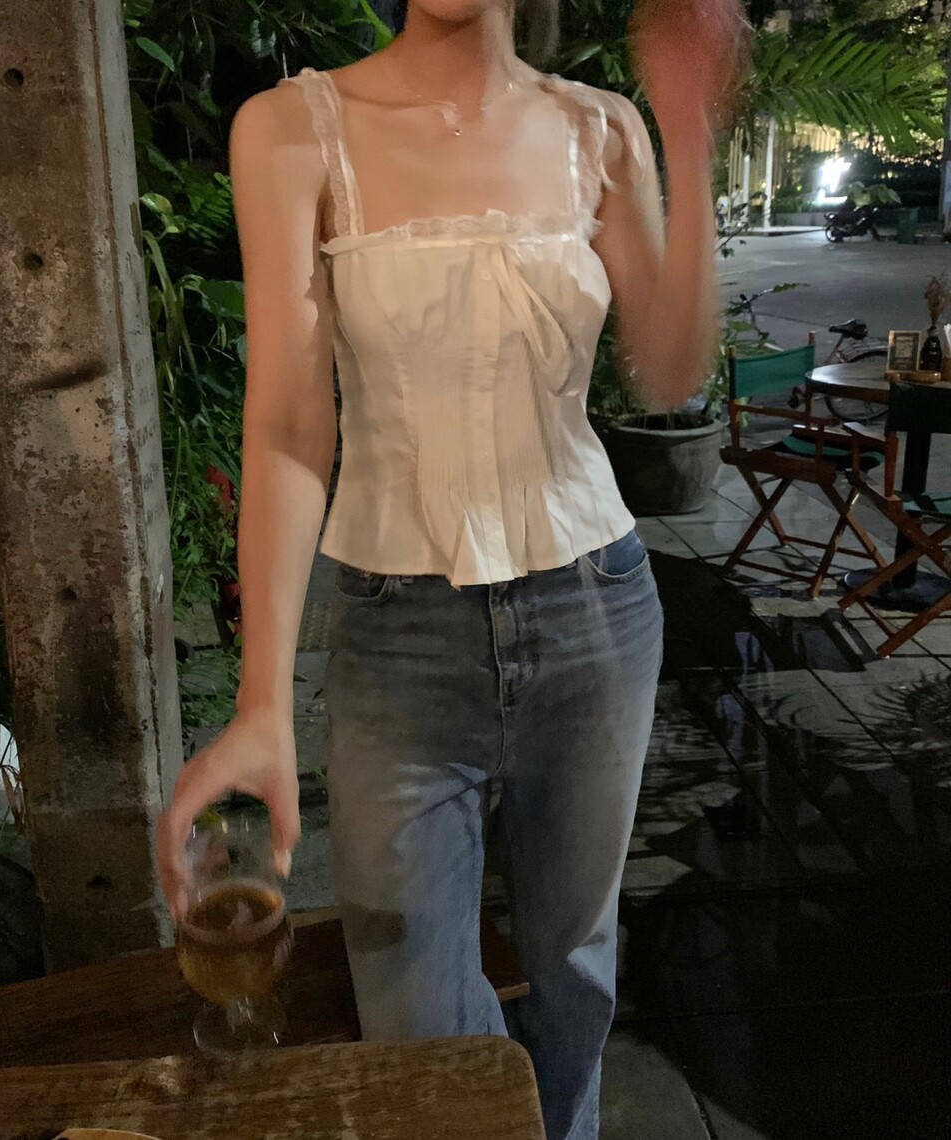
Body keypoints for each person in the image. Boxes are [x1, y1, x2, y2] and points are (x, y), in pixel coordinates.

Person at [156, 1, 749, 1136]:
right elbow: (289, 424)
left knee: (574, 966)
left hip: (595, 609)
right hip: (397, 637)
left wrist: (686, 130)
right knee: (412, 1015)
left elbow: (669, 370)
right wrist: (260, 701)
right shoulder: (293, 128)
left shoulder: (599, 128)